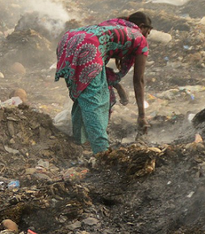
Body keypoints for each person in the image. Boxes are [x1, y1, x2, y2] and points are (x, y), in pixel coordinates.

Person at [54, 12, 152, 153]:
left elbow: (101, 71)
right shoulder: (140, 39)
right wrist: (142, 116)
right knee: (96, 102)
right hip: (87, 47)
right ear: (142, 27)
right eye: (147, 32)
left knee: (84, 97)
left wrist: (118, 87)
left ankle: (81, 142)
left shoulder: (114, 25)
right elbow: (139, 80)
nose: (146, 36)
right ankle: (101, 152)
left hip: (69, 40)